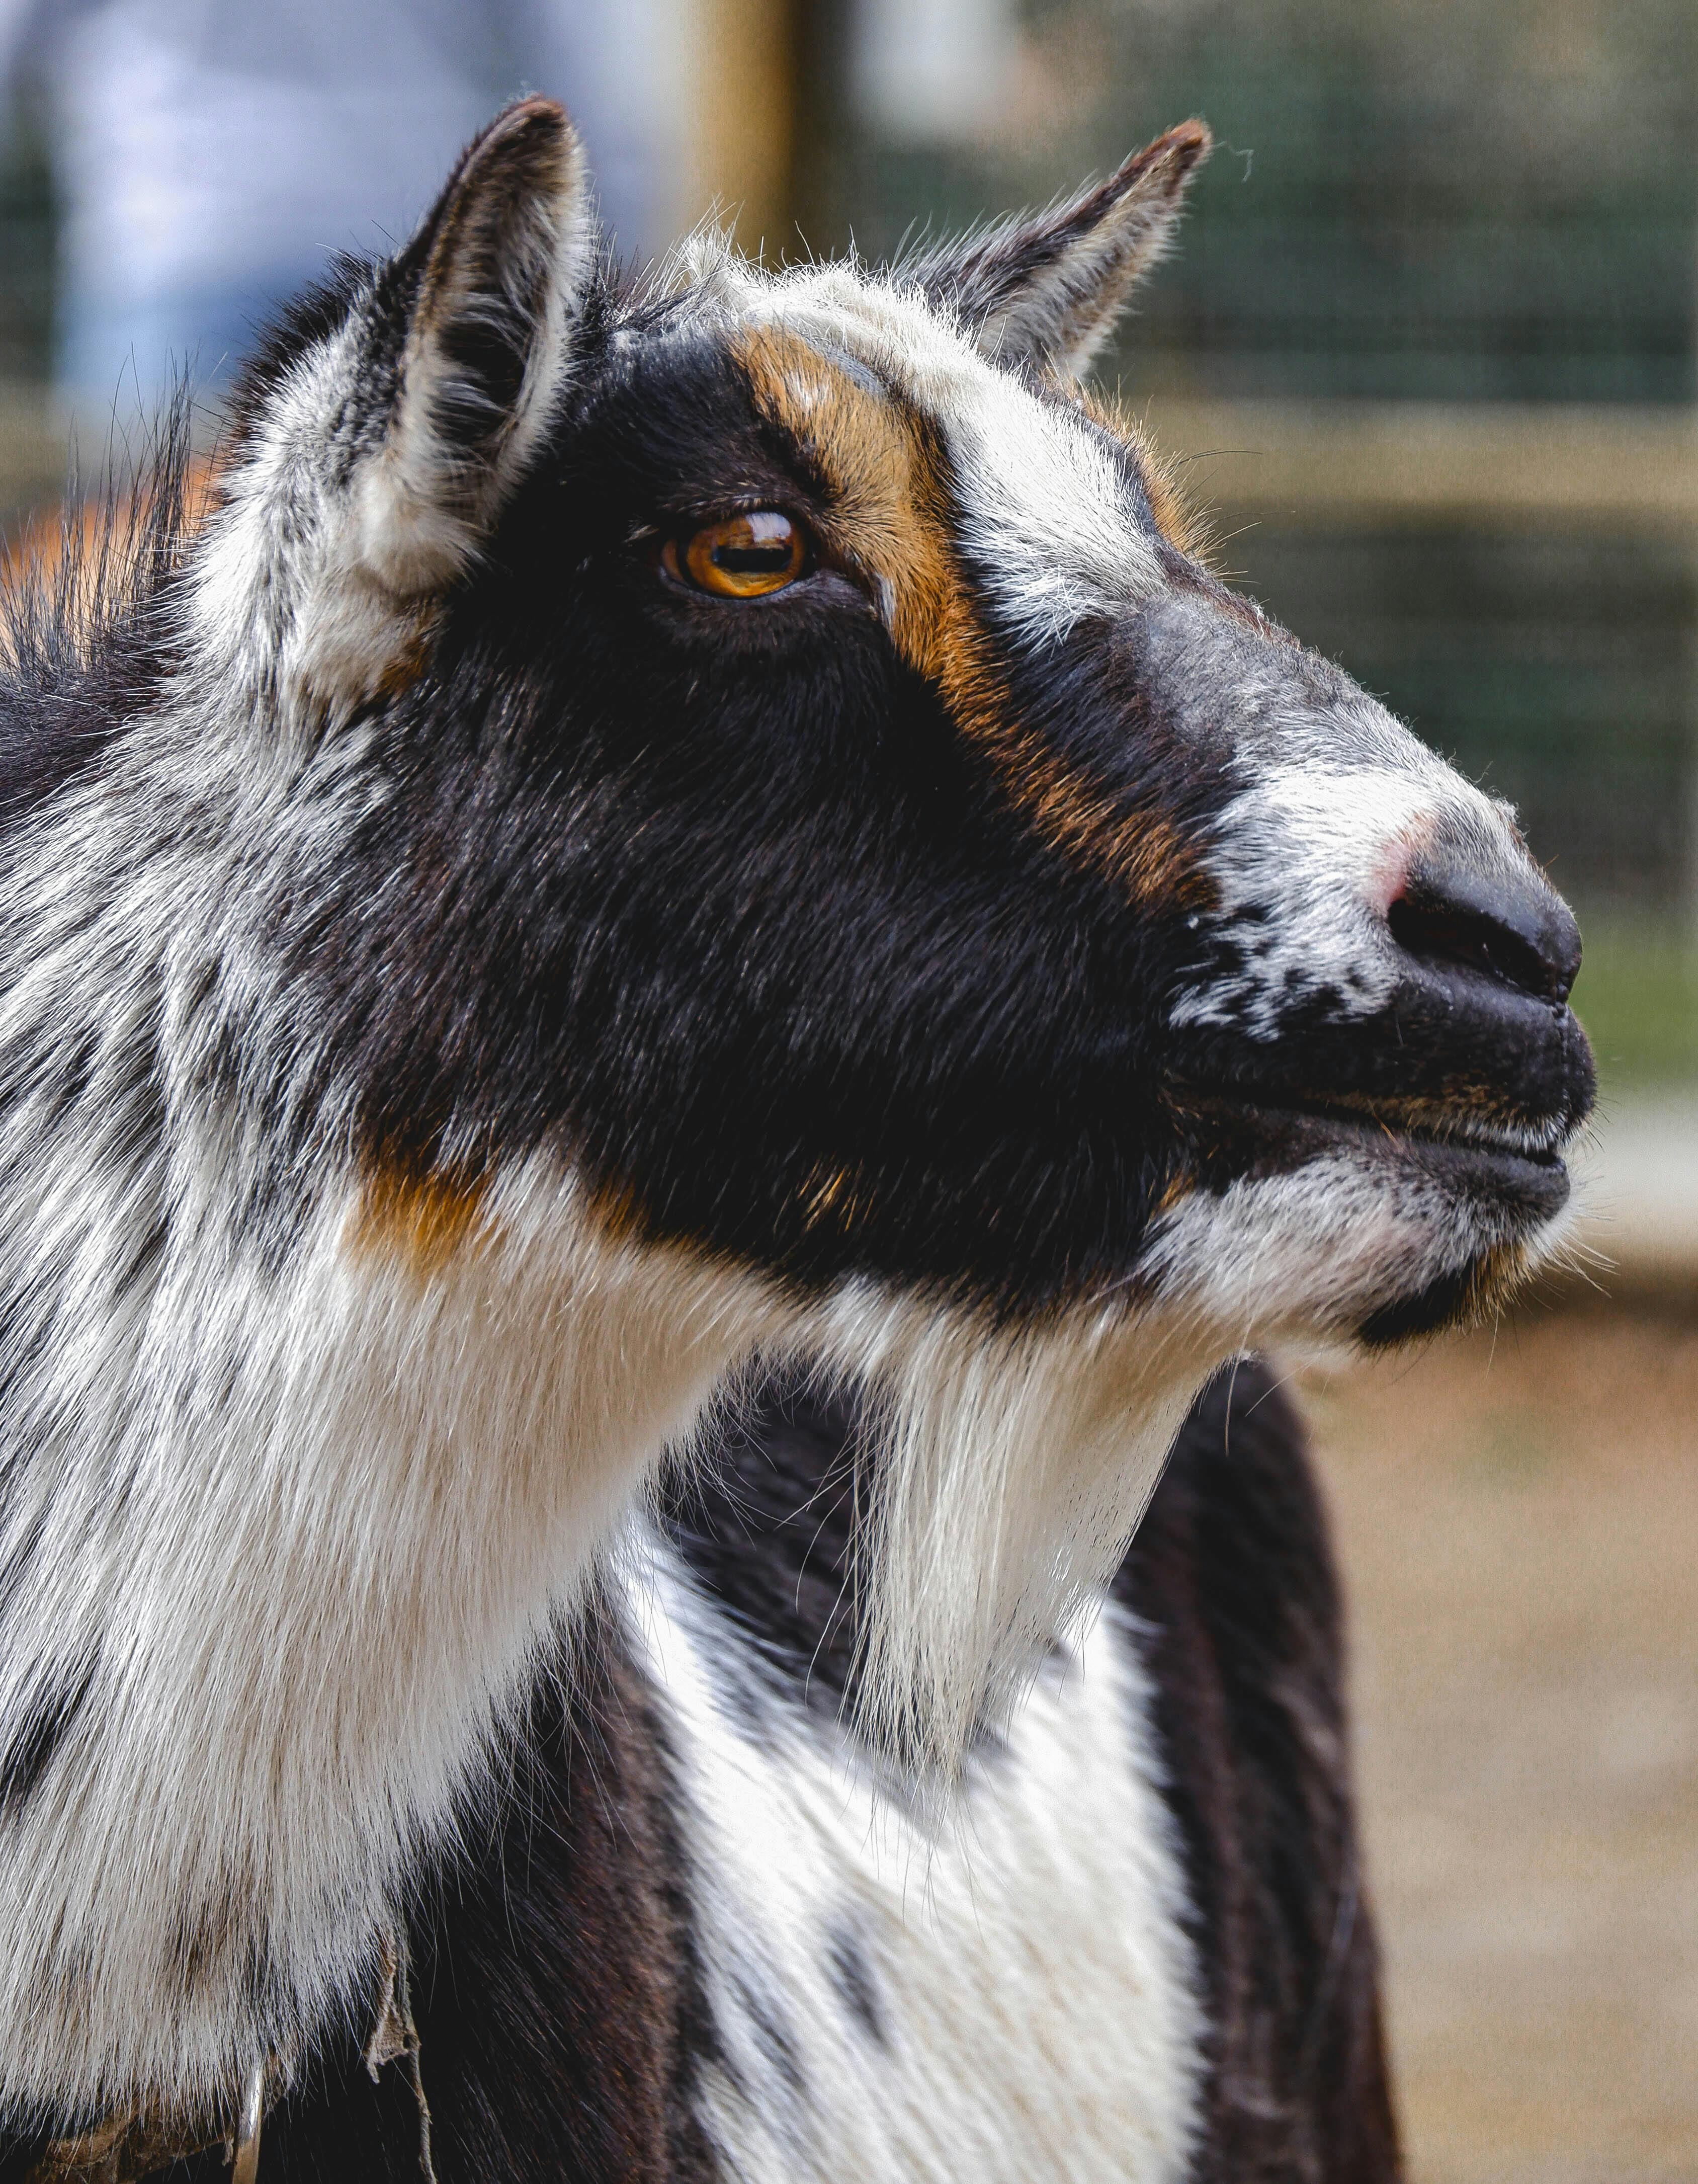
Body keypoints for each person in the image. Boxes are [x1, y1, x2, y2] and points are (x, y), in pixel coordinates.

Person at [0, 0, 682, 414]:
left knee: (133, 598)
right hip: (414, 264)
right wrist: (623, 277)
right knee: (417, 614)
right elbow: (577, 79)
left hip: (178, 254)